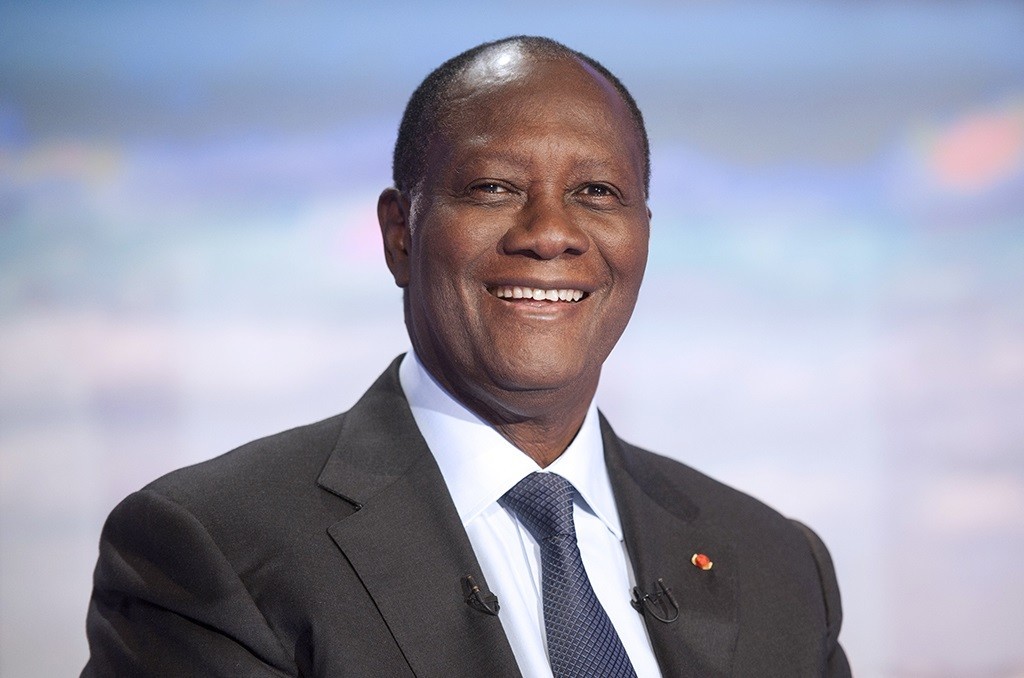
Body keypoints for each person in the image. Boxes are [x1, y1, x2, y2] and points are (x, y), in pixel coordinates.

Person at [82, 36, 851, 677]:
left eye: (596, 192)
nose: (550, 232)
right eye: (492, 187)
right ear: (400, 235)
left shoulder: (777, 564)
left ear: (645, 232)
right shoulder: (210, 548)